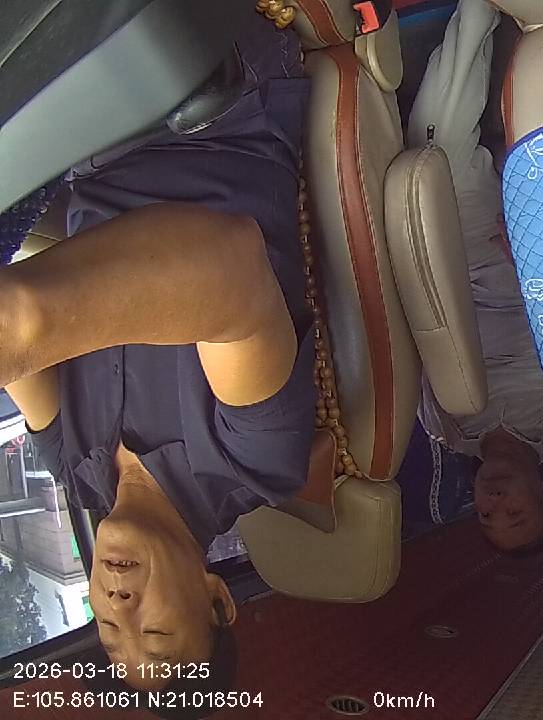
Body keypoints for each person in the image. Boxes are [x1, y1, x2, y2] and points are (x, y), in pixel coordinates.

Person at [0, 14, 312, 693]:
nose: (119, 607)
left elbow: (15, 358)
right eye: (157, 633)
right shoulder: (254, 462)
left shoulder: (77, 471)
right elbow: (230, 268)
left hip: (85, 143)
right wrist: (30, 323)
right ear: (215, 599)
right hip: (212, 103)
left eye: (110, 630)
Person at [411, 0, 543, 554]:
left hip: (459, 253)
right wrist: (540, 258)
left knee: (430, 154)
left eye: (487, 514)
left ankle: (478, 10)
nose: (496, 500)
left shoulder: (446, 428)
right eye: (515, 512)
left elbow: (413, 326)